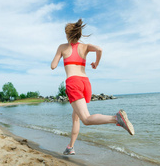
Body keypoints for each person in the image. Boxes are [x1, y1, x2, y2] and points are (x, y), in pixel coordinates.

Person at [51, 19, 134, 155]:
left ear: (68, 35)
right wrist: (96, 63)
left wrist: (59, 57)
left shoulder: (62, 47)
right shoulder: (85, 46)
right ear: (79, 35)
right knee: (76, 117)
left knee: (86, 119)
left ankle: (116, 118)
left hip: (73, 83)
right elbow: (100, 49)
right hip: (85, 83)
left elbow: (53, 66)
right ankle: (70, 147)